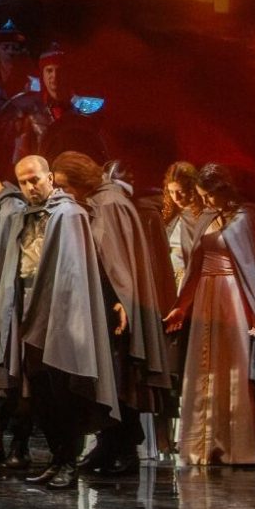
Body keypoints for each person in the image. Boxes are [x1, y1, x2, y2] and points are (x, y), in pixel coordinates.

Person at [5, 153, 119, 489]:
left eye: (35, 179)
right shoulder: (23, 217)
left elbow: (74, 272)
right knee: (39, 393)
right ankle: (57, 459)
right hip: (29, 312)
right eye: (24, 182)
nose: (31, 187)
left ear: (50, 178)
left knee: (63, 391)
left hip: (60, 314)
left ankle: (68, 462)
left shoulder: (69, 214)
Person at [165, 165, 255, 467]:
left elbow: (252, 268)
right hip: (206, 295)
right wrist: (182, 305)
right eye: (202, 196)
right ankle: (205, 444)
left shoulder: (244, 218)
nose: (205, 201)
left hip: (232, 295)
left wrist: (254, 311)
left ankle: (238, 446)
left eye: (209, 195)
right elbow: (196, 264)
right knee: (204, 367)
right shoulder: (207, 217)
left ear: (221, 191)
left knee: (234, 366)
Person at [64, 152, 176, 472]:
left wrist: (121, 301)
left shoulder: (109, 203)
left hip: (115, 305)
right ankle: (111, 443)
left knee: (120, 375)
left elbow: (116, 261)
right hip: (103, 300)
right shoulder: (101, 200)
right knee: (110, 376)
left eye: (65, 185)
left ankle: (124, 448)